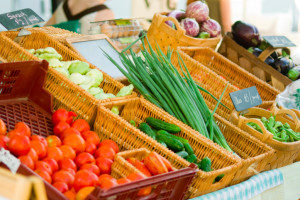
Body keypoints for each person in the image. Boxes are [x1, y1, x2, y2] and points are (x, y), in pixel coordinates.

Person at [45, 0, 114, 34]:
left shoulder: (65, 3)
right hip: (79, 59)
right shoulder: (105, 14)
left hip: (54, 56)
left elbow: (43, 30)